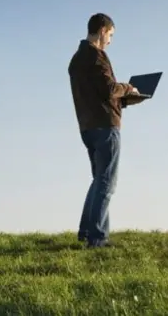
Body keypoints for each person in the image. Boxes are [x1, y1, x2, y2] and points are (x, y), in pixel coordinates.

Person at [67, 13, 143, 248]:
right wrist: (129, 87)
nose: (110, 40)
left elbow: (99, 94)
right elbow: (109, 88)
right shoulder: (97, 57)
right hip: (105, 127)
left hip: (87, 127)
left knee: (99, 180)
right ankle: (97, 238)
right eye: (110, 35)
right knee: (107, 183)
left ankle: (87, 232)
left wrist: (127, 100)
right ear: (102, 31)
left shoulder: (77, 59)